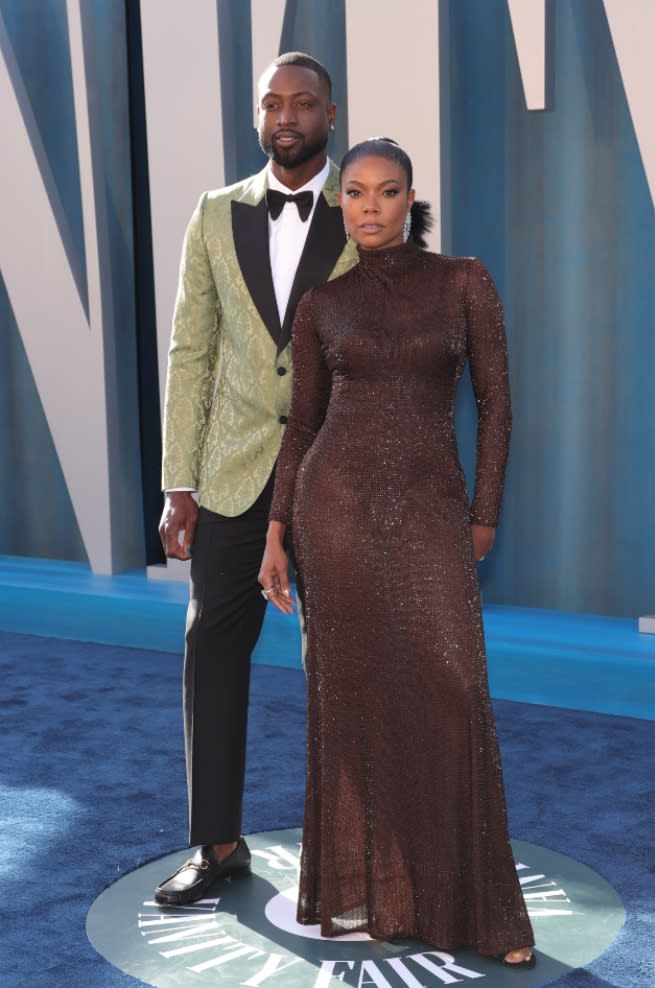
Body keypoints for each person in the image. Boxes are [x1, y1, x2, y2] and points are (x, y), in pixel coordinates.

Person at [258, 138, 536, 967]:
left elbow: (497, 404)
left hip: (428, 512)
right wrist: (276, 531)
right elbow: (301, 426)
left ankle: (480, 914)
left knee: (451, 690)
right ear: (339, 203)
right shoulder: (322, 303)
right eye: (354, 193)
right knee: (357, 703)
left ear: (411, 198)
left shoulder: (463, 281)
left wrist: (481, 514)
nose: (369, 206)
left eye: (386, 192)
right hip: (331, 512)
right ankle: (381, 894)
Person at [154, 52, 356, 907]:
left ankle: (356, 852)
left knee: (343, 661)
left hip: (338, 475)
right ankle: (217, 844)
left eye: (302, 103)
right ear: (257, 115)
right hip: (234, 474)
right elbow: (190, 351)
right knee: (209, 649)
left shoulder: (371, 202)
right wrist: (178, 481)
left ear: (330, 116)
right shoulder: (212, 213)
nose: (285, 115)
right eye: (272, 102)